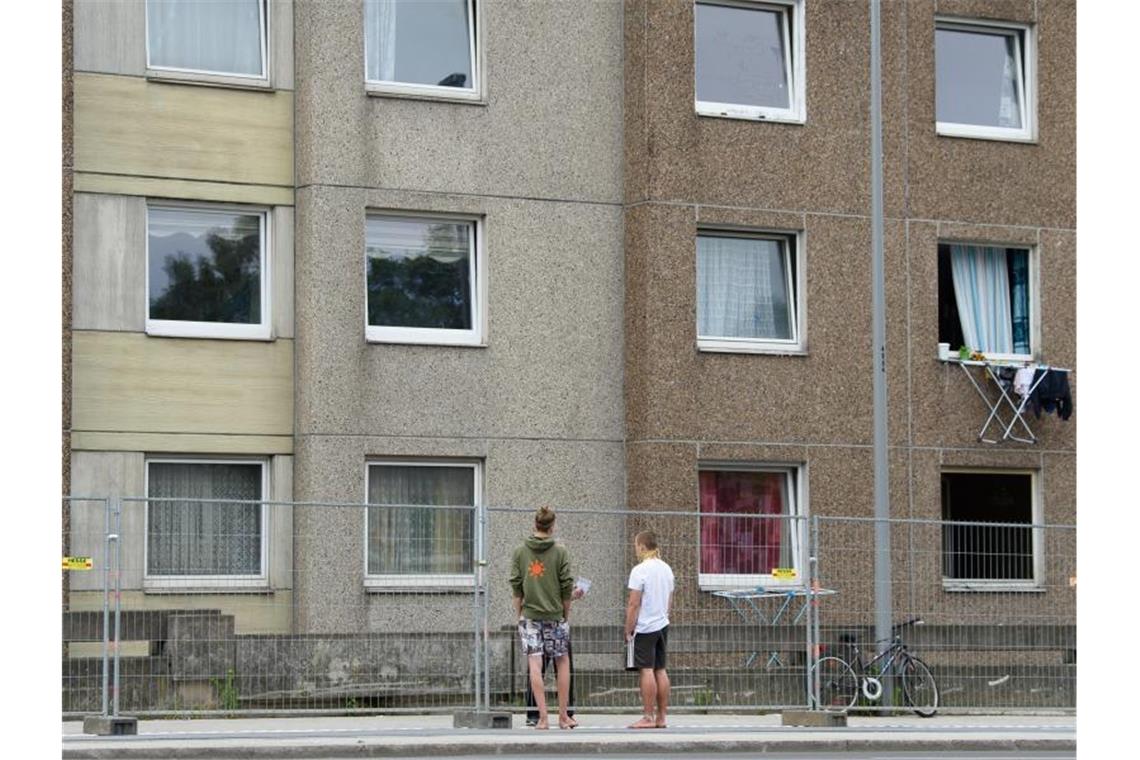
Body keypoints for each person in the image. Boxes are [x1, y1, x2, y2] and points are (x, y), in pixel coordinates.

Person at [509, 505, 579, 730]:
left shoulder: (520, 551)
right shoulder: (560, 552)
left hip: (530, 615)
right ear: (552, 526)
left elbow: (517, 586)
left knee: (534, 665)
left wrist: (519, 615)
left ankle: (542, 718)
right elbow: (567, 586)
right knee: (563, 662)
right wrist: (565, 614)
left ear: (535, 524)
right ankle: (563, 717)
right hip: (555, 616)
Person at [624, 529, 674, 729]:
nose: (635, 550)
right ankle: (661, 717)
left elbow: (634, 603)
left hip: (645, 626)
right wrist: (665, 616)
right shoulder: (666, 569)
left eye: (636, 546)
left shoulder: (640, 570)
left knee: (646, 670)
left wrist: (629, 628)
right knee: (660, 670)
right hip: (662, 624)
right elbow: (670, 600)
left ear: (643, 546)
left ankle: (647, 716)